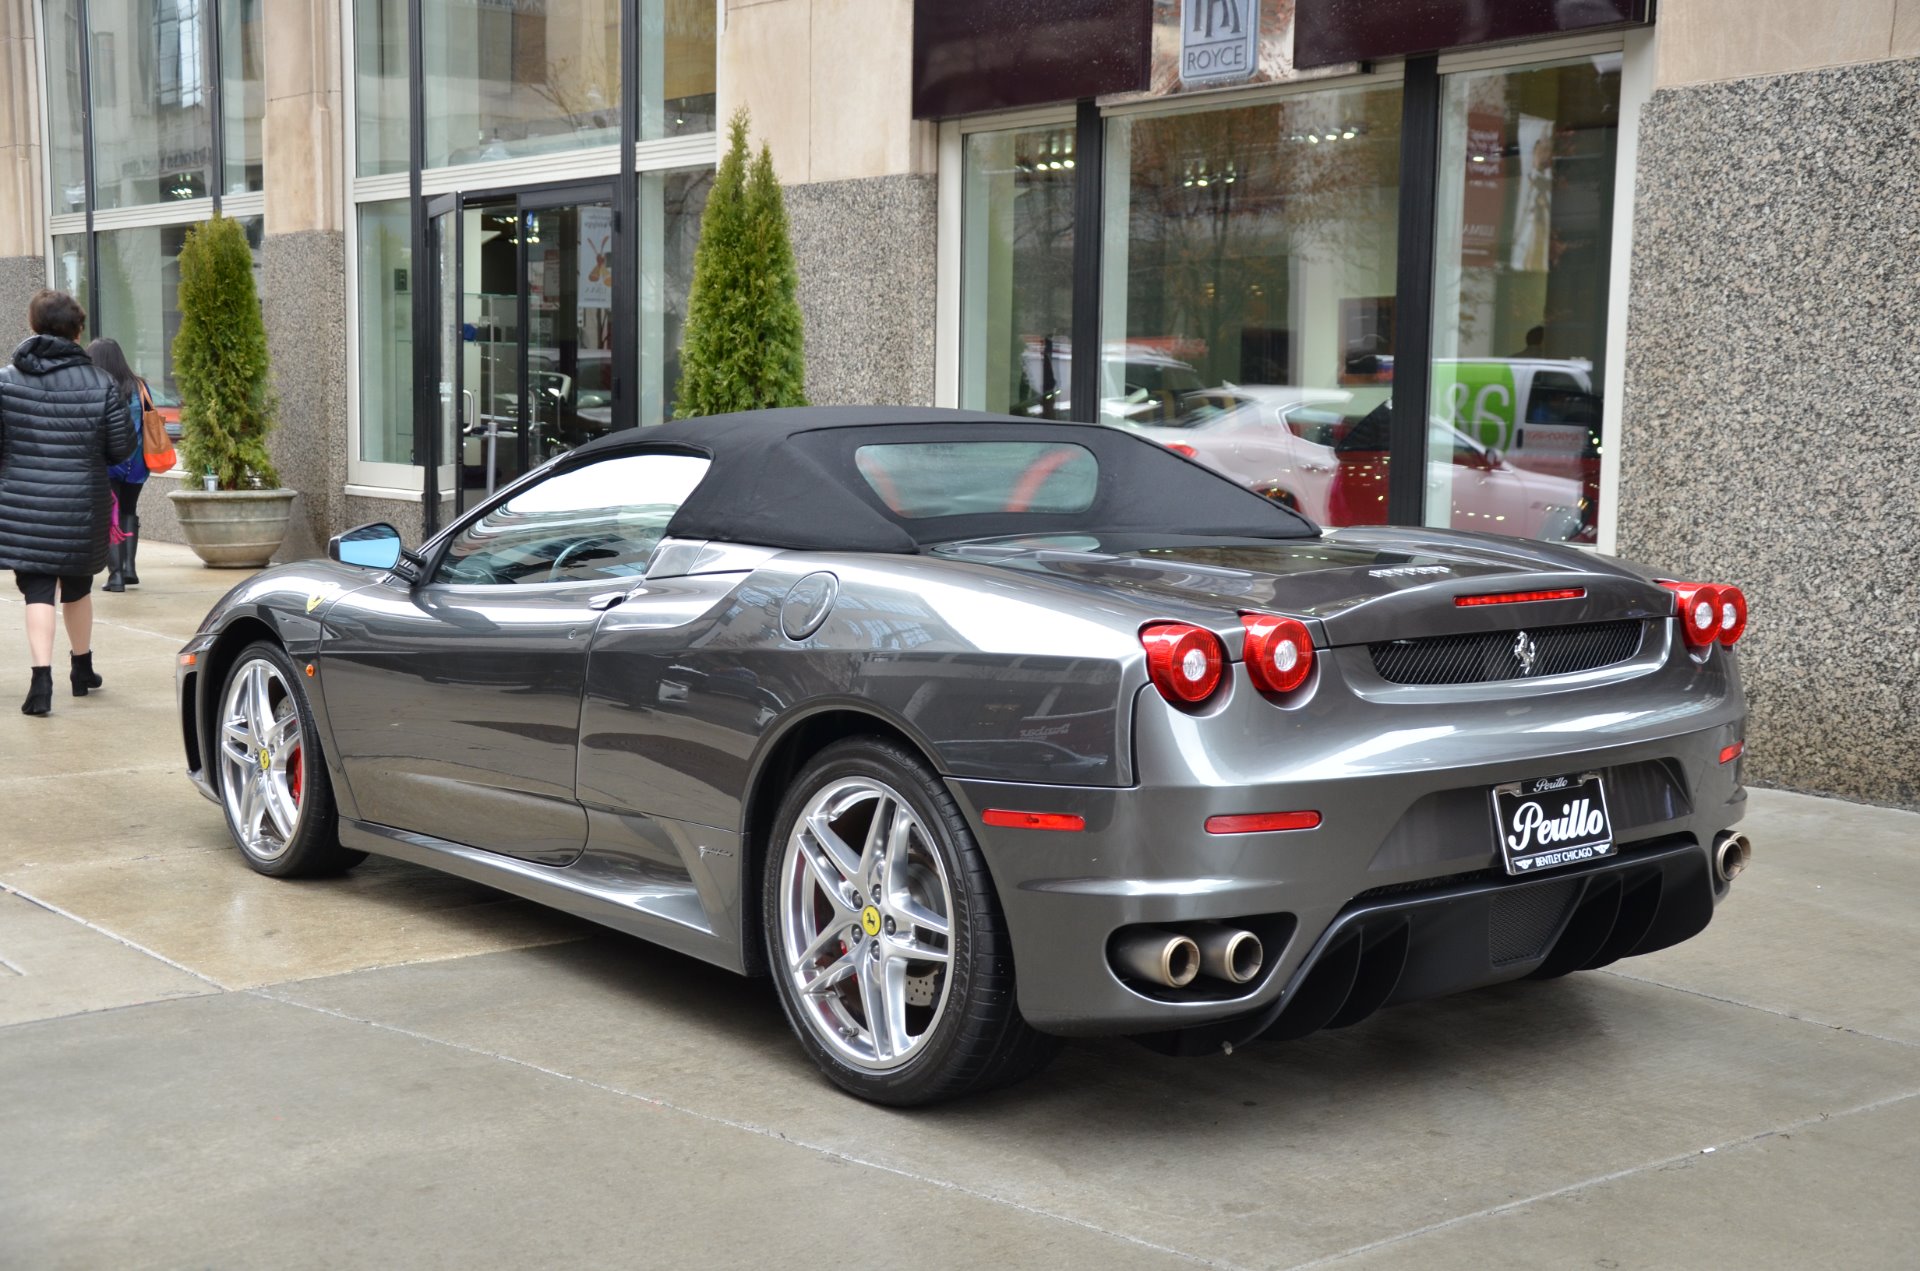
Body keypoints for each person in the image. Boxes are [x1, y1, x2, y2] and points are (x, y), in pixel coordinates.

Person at [0, 290, 136, 715]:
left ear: (34, 326)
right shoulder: (101, 383)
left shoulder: (6, 380)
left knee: (37, 589)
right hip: (81, 504)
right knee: (77, 587)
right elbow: (122, 450)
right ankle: (82, 669)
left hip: (24, 503)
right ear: (78, 331)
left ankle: (41, 682)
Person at [87, 338, 147, 591]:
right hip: (138, 462)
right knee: (128, 511)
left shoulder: (97, 386)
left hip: (109, 462)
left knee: (110, 516)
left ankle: (116, 576)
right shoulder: (140, 386)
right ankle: (130, 569)